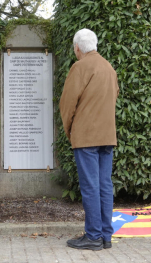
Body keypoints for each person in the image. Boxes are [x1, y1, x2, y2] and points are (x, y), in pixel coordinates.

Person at [59, 28, 119, 251]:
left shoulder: (80, 67)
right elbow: (114, 96)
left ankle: (93, 236)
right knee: (104, 185)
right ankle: (105, 236)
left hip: (86, 138)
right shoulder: (109, 67)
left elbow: (67, 104)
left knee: (91, 187)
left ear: (77, 47)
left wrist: (70, 131)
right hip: (107, 136)